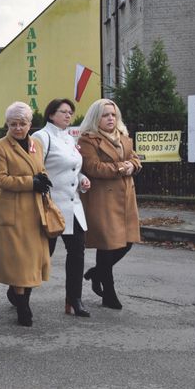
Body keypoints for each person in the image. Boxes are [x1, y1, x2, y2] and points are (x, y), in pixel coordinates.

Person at [0, 102, 51, 327]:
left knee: (33, 260)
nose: (17, 128)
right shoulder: (0, 146)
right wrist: (30, 182)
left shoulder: (36, 145)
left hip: (34, 209)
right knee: (20, 262)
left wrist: (43, 178)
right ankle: (23, 307)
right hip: (12, 210)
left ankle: (18, 294)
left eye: (22, 124)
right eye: (13, 124)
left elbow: (39, 169)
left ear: (30, 124)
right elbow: (0, 179)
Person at [78, 98, 141, 310]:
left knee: (128, 242)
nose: (111, 118)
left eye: (113, 114)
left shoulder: (124, 136)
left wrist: (132, 165)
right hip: (103, 199)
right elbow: (92, 167)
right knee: (107, 245)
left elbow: (135, 159)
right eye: (105, 115)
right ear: (97, 117)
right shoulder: (88, 139)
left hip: (125, 198)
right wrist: (121, 168)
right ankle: (109, 293)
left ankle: (97, 273)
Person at [32, 98, 91, 317]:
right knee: (44, 253)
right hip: (51, 205)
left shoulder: (68, 138)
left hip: (73, 205)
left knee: (77, 252)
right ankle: (19, 290)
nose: (68, 115)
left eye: (70, 112)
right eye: (63, 111)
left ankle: (74, 299)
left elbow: (73, 169)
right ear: (50, 114)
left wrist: (83, 178)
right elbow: (36, 169)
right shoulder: (41, 137)